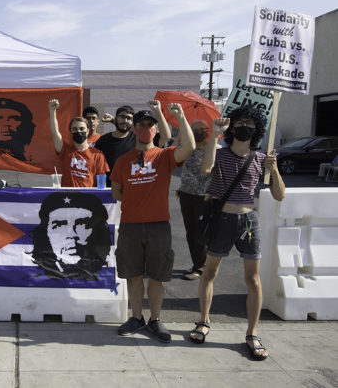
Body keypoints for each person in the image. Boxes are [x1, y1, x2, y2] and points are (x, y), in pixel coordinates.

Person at [190, 105, 285, 361]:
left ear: (258, 129)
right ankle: (203, 321)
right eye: (241, 122)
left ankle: (252, 333)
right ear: (233, 127)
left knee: (253, 280)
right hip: (221, 219)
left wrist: (273, 168)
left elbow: (279, 195)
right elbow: (205, 169)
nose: (246, 127)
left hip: (248, 221)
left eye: (250, 124)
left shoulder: (260, 158)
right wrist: (215, 135)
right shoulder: (221, 154)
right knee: (210, 272)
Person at [111, 103, 195, 343]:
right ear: (135, 129)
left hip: (159, 226)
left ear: (156, 128)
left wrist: (180, 117)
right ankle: (136, 317)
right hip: (130, 225)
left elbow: (187, 147)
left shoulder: (164, 156)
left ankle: (155, 319)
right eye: (141, 125)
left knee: (157, 276)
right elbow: (116, 191)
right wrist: (137, 198)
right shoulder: (123, 161)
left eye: (150, 125)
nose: (146, 128)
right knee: (134, 275)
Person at [30, 192, 112, 280]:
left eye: (81, 224)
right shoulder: (33, 277)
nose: (71, 235)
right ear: (46, 232)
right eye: (60, 225)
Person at [96, 100, 171, 186]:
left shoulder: (139, 138)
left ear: (133, 123)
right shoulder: (103, 140)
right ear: (116, 118)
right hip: (110, 189)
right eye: (122, 117)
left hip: (134, 187)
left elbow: (166, 137)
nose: (125, 120)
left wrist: (157, 111)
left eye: (129, 118)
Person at [177, 119, 215, 280]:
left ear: (209, 130)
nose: (199, 131)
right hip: (186, 195)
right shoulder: (188, 149)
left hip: (204, 198)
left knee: (201, 234)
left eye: (202, 129)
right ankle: (196, 264)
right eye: (195, 129)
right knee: (190, 233)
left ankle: (201, 267)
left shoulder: (214, 150)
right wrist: (181, 134)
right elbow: (173, 154)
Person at [48, 99, 109, 187]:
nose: (78, 131)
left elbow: (102, 184)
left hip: (88, 198)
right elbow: (55, 133)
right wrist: (52, 110)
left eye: (81, 129)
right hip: (67, 198)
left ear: (87, 131)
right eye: (75, 129)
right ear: (71, 132)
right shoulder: (65, 150)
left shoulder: (98, 155)